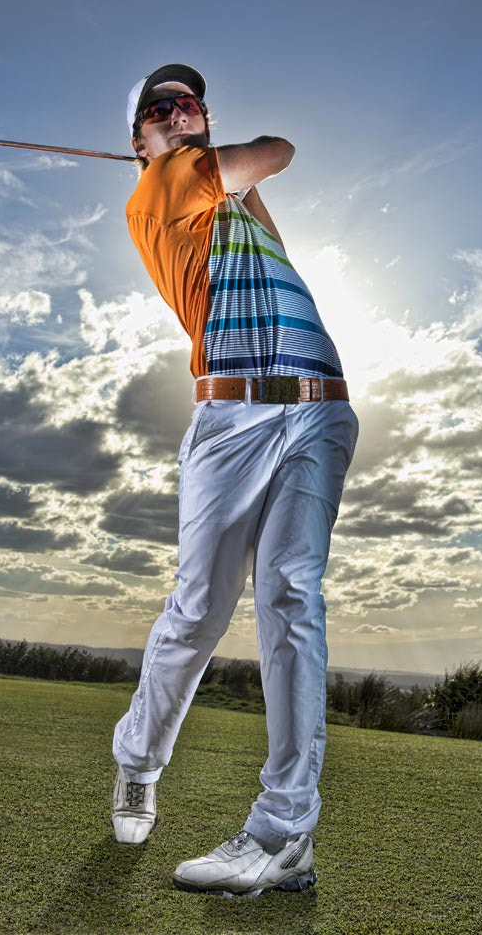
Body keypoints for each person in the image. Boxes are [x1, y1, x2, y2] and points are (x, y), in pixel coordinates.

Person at [111, 63, 358, 898]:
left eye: (192, 106)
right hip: (233, 419)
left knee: (292, 596)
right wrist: (198, 153)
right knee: (200, 608)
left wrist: (229, 178)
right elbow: (278, 149)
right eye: (161, 110)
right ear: (140, 140)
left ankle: (284, 834)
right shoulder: (159, 190)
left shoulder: (221, 204)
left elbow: (260, 204)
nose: (182, 114)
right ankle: (138, 760)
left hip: (320, 408)